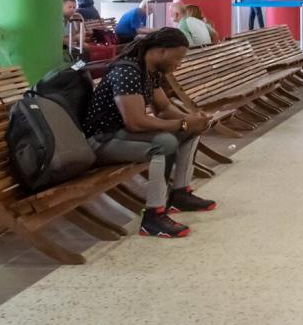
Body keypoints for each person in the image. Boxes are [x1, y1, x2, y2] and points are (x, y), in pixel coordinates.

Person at [80, 28, 215, 238]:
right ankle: (153, 216)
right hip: (102, 140)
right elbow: (135, 123)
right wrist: (183, 123)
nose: (179, 64)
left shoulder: (148, 71)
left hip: (122, 135)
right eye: (177, 58)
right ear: (161, 51)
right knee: (165, 143)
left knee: (190, 132)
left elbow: (163, 108)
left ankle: (180, 194)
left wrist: (192, 120)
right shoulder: (127, 72)